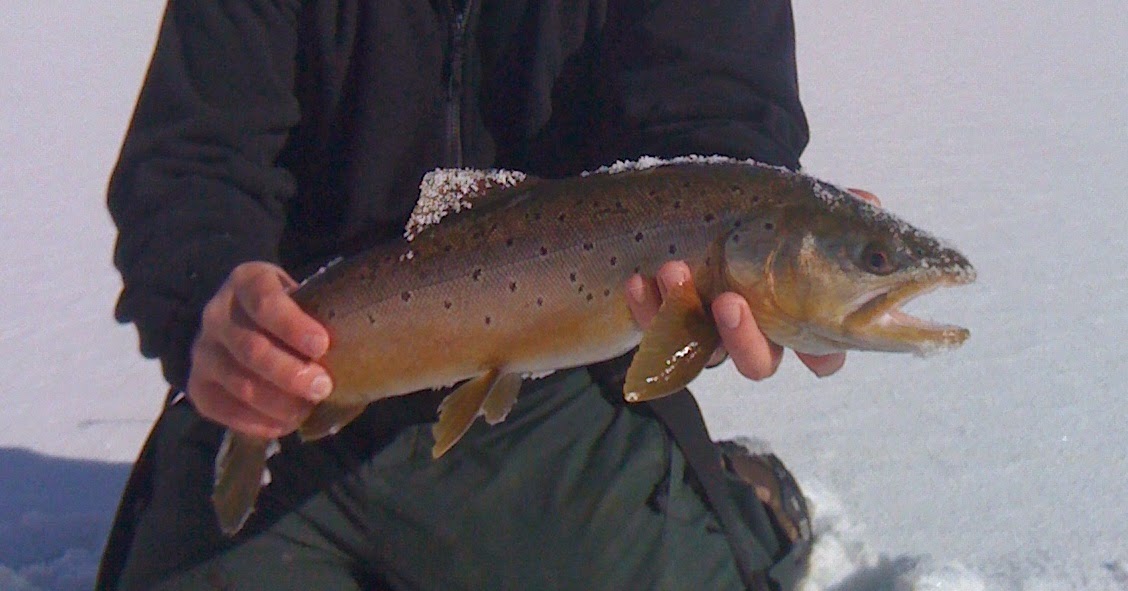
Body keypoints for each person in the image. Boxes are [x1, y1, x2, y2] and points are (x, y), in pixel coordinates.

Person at [97, 1, 850, 589]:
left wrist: (751, 218)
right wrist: (214, 294)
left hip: (554, 399)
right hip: (300, 376)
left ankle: (750, 504)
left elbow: (719, 110)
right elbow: (190, 161)